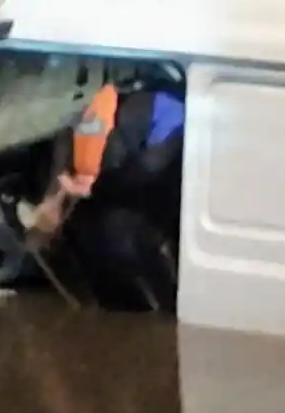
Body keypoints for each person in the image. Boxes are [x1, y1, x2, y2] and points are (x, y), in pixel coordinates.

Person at [17, 80, 184, 311]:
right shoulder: (88, 137)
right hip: (128, 148)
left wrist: (83, 188)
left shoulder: (116, 143)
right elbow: (69, 136)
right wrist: (60, 187)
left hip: (158, 133)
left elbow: (147, 169)